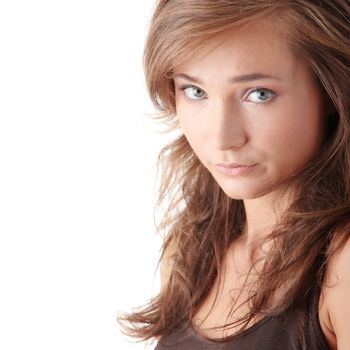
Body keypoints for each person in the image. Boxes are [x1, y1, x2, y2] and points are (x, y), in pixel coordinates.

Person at [118, 1, 350, 349]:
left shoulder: (342, 265)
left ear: (331, 89)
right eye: (195, 91)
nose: (221, 137)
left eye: (258, 94)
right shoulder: (189, 251)